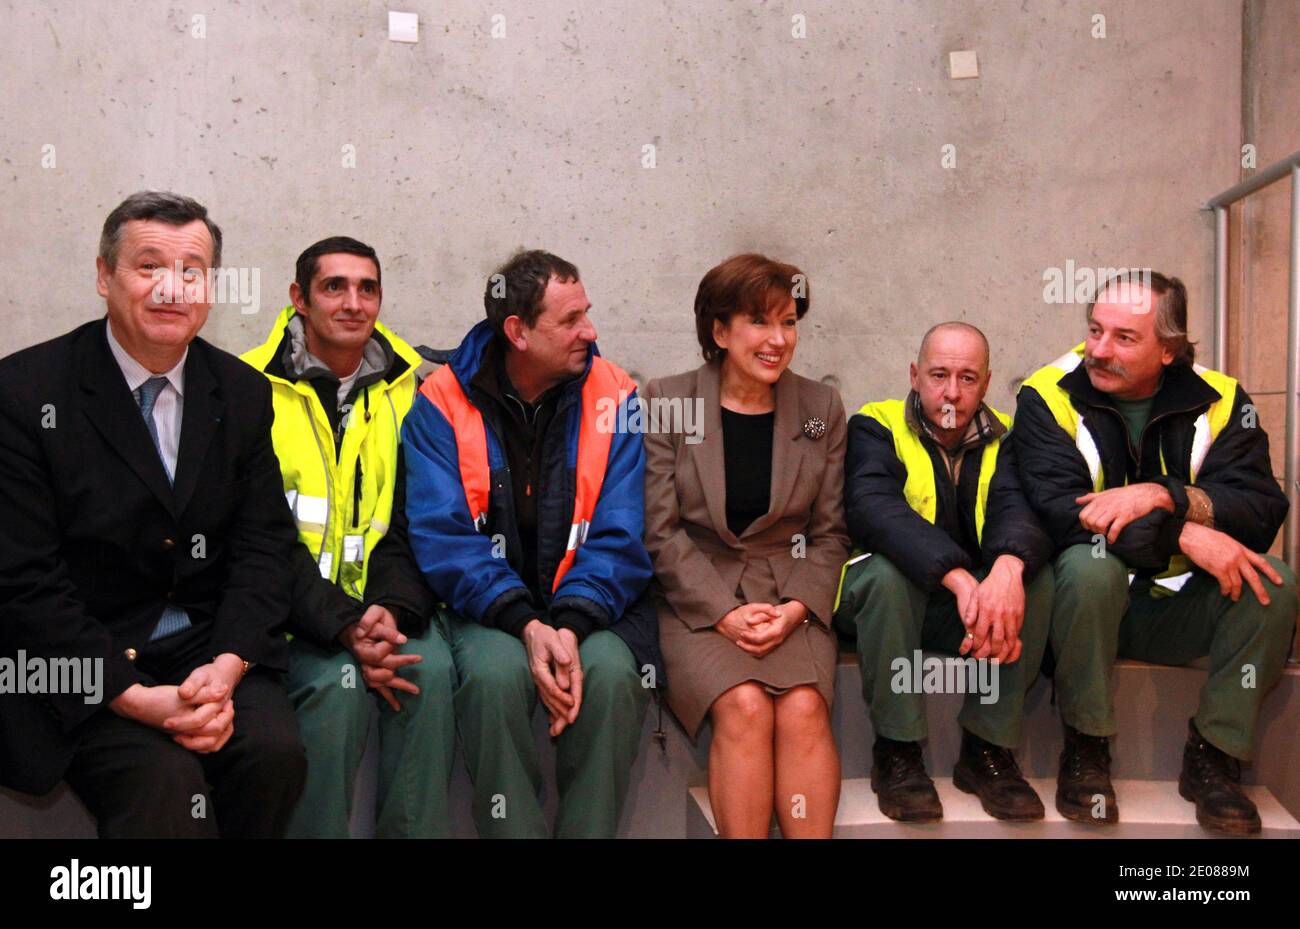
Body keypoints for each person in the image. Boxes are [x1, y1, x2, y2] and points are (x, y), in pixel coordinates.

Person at [0, 191, 306, 837]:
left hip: (205, 646)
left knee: (274, 754)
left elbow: (263, 546)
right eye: (148, 266)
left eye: (192, 269)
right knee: (162, 788)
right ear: (104, 277)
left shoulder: (242, 392)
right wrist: (133, 695)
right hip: (90, 653)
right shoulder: (25, 394)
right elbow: (24, 578)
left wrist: (226, 668)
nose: (172, 287)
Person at [1015, 269, 1295, 834]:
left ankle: (1214, 757)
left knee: (1275, 582)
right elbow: (1062, 511)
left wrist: (1160, 495)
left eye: (1123, 338)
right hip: (1082, 611)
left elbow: (1261, 509)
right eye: (1095, 331)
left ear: (1169, 350)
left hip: (1174, 605)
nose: (1099, 350)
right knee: (1088, 563)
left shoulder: (1222, 399)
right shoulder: (1047, 393)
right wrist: (1183, 529)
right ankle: (1087, 747)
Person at [402, 249, 657, 838]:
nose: (589, 332)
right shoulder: (441, 399)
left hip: (591, 607)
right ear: (517, 331)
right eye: (569, 321)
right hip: (489, 609)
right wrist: (524, 622)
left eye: (587, 314)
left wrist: (567, 624)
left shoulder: (615, 394)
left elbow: (623, 530)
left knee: (615, 679)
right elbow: (443, 536)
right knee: (493, 681)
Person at [240, 236, 455, 838]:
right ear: (299, 299)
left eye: (368, 288)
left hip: (387, 606)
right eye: (334, 286)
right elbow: (254, 538)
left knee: (428, 673)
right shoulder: (246, 387)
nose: (354, 302)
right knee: (335, 693)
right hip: (288, 613)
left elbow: (417, 521)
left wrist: (389, 610)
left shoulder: (418, 392)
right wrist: (341, 624)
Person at [644, 253, 849, 838]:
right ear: (719, 331)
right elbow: (659, 529)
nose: (778, 339)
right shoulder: (667, 401)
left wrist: (795, 610)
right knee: (745, 705)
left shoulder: (819, 410)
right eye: (760, 322)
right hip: (696, 601)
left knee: (805, 707)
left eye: (789, 322)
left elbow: (831, 531)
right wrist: (725, 614)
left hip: (790, 596)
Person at [834, 322, 1053, 823]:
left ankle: (987, 751)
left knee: (1036, 580)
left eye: (968, 378)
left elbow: (1023, 510)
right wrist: (959, 577)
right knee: (888, 576)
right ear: (914, 375)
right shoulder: (876, 425)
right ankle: (898, 752)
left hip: (964, 614)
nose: (952, 391)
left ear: (987, 382)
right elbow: (874, 508)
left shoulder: (1008, 439)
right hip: (885, 602)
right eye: (938, 375)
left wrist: (1007, 567)